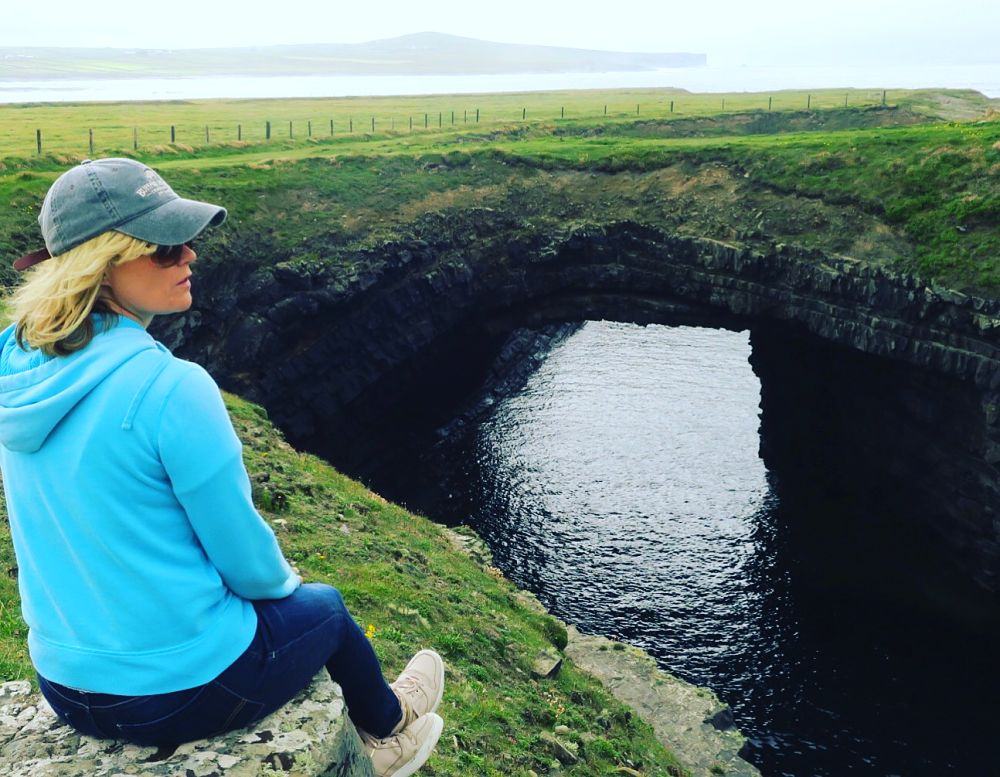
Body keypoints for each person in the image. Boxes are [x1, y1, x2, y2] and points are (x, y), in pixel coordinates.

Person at [0, 158, 443, 777]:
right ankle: (390, 728)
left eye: (186, 241)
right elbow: (248, 566)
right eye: (164, 248)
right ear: (102, 263)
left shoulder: (16, 373)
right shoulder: (170, 387)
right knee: (326, 609)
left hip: (66, 686)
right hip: (180, 692)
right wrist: (285, 591)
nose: (189, 256)